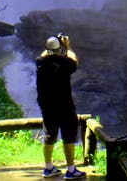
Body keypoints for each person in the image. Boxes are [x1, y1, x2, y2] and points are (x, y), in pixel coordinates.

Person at [36, 33, 86, 179]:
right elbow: (74, 59)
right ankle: (71, 170)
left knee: (49, 136)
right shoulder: (66, 62)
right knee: (69, 136)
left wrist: (52, 44)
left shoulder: (40, 62)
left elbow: (45, 53)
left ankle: (48, 167)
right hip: (65, 106)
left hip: (47, 107)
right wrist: (67, 46)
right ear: (60, 50)